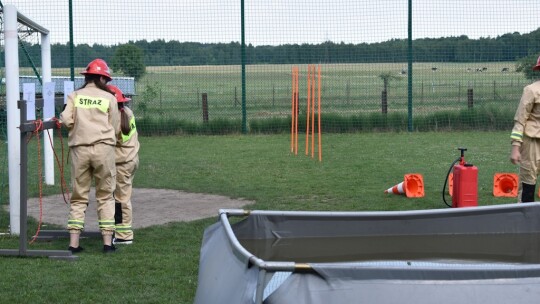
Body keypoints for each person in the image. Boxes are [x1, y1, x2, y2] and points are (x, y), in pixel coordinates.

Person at [60, 58, 120, 253]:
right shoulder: (110, 98)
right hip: (104, 150)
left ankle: (74, 243)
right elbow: (116, 127)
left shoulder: (74, 96)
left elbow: (66, 120)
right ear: (103, 78)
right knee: (105, 195)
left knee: (79, 196)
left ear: (87, 77)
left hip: (80, 150)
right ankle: (107, 243)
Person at [108, 85, 140, 245]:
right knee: (121, 197)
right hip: (131, 159)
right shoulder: (127, 113)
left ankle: (123, 235)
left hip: (121, 163)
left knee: (121, 199)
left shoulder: (115, 120)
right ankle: (118, 231)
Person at [510, 55, 540, 203]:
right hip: (532, 142)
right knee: (529, 182)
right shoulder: (531, 90)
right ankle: (526, 221)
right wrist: (516, 147)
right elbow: (520, 120)